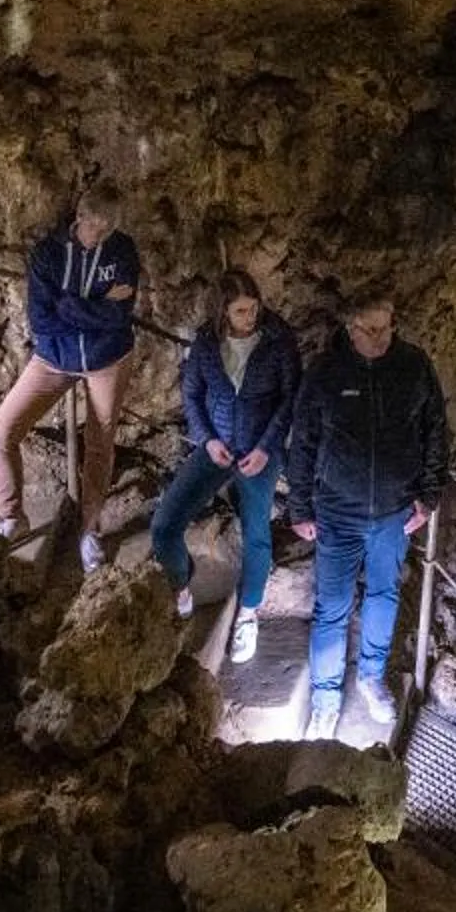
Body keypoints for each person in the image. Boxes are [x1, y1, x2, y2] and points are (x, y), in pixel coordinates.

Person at [284, 291, 448, 740]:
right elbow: (304, 440)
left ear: (394, 322)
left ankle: (371, 677)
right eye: (368, 330)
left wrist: (429, 494)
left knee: (383, 596)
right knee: (332, 607)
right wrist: (300, 504)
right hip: (337, 510)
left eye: (385, 328)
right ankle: (325, 697)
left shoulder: (413, 367)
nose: (378, 339)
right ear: (350, 328)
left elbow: (435, 428)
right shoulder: (326, 373)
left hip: (395, 511)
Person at [0, 184, 144, 566]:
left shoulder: (123, 251)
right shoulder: (48, 255)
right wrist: (99, 306)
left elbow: (121, 316)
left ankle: (90, 529)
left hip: (108, 358)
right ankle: (11, 516)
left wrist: (70, 307)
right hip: (55, 358)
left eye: (107, 232)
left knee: (100, 442)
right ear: (80, 219)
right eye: (95, 230)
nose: (99, 239)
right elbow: (42, 320)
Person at [149, 268, 301, 662]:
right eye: (240, 311)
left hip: (258, 452)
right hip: (217, 446)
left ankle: (248, 613)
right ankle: (181, 585)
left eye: (253, 309)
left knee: (256, 534)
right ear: (222, 312)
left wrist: (267, 448)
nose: (250, 317)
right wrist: (207, 439)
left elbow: (289, 399)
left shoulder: (279, 341)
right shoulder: (205, 343)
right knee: (165, 526)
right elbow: (192, 393)